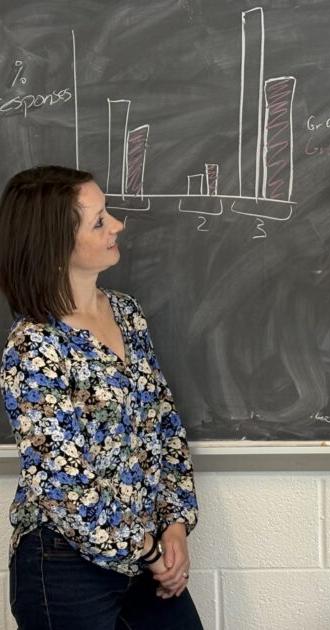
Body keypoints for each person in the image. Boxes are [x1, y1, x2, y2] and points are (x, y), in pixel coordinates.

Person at [0, 166, 203, 629]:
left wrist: (174, 526)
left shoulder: (126, 313)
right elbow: (62, 485)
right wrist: (149, 551)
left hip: (146, 553)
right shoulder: (35, 347)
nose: (117, 225)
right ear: (56, 245)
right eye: (99, 221)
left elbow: (163, 427)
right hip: (66, 565)